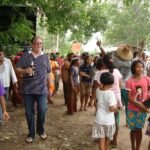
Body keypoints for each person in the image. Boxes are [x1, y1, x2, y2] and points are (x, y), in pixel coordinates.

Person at [16, 36, 51, 143]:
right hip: (28, 90)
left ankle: (40, 130)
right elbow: (17, 69)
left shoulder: (45, 57)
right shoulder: (26, 56)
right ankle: (31, 133)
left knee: (42, 110)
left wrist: (51, 87)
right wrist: (25, 70)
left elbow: (49, 72)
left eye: (40, 43)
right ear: (32, 45)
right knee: (29, 113)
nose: (39, 45)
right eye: (36, 43)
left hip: (42, 90)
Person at [126, 60, 150, 150]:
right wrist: (140, 105)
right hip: (132, 109)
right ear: (133, 68)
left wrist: (147, 101)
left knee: (139, 129)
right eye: (138, 67)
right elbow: (129, 98)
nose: (140, 68)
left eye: (141, 67)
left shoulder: (147, 79)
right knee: (133, 130)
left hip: (143, 109)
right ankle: (133, 146)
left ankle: (137, 148)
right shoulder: (129, 81)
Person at [92, 72, 118, 150]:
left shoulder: (97, 90)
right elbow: (111, 108)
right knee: (107, 140)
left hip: (99, 120)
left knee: (101, 140)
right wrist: (118, 108)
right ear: (111, 83)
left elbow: (96, 102)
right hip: (109, 121)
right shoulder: (111, 93)